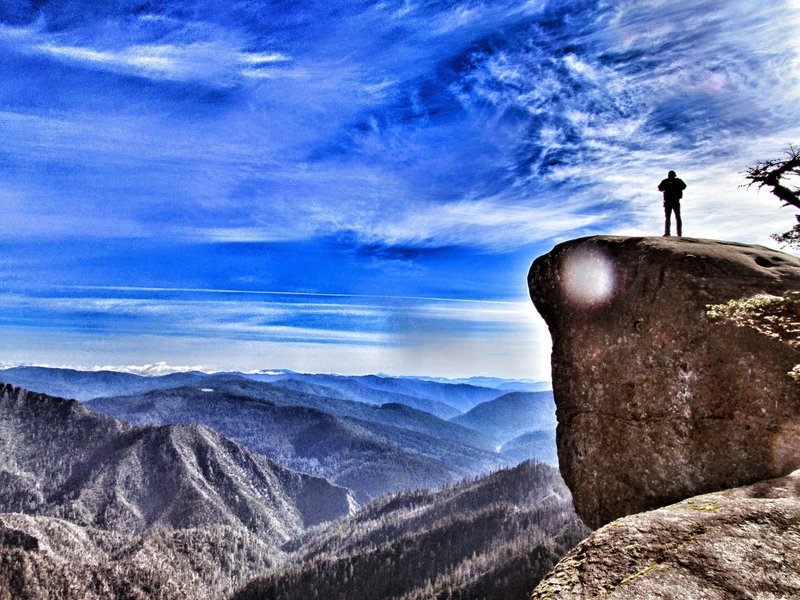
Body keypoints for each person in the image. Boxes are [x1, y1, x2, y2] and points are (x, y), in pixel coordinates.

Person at [658, 170, 686, 236]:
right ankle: (675, 233)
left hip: (672, 201)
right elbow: (660, 188)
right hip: (671, 201)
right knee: (674, 217)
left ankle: (671, 233)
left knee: (672, 217)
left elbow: (684, 186)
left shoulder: (676, 181)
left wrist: (674, 186)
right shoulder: (666, 181)